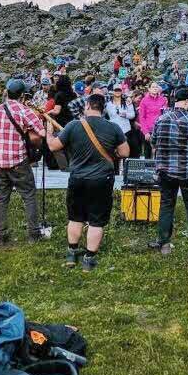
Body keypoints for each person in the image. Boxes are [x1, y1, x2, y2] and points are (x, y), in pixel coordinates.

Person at [47, 93, 129, 271]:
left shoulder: (73, 125)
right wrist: (112, 154)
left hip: (78, 178)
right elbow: (125, 152)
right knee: (96, 220)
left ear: (88, 106)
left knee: (75, 217)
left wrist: (48, 133)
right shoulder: (113, 127)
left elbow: (54, 146)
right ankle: (89, 259)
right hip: (102, 179)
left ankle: (71, 253)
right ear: (103, 108)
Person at [148, 87, 188, 258]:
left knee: (166, 206)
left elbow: (153, 144)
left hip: (165, 172)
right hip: (187, 172)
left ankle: (164, 244)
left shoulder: (160, 119)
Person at [0, 79, 46, 246]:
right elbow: (41, 133)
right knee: (29, 195)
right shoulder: (24, 111)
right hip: (17, 160)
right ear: (22, 95)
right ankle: (33, 234)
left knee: (2, 198)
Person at [137, 83, 167, 158]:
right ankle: (147, 169)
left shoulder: (163, 100)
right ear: (149, 89)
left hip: (160, 129)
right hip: (148, 129)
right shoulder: (144, 100)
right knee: (148, 152)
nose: (155, 88)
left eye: (156, 87)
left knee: (159, 151)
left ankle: (158, 169)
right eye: (153, 87)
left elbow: (166, 114)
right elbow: (141, 117)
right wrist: (145, 132)